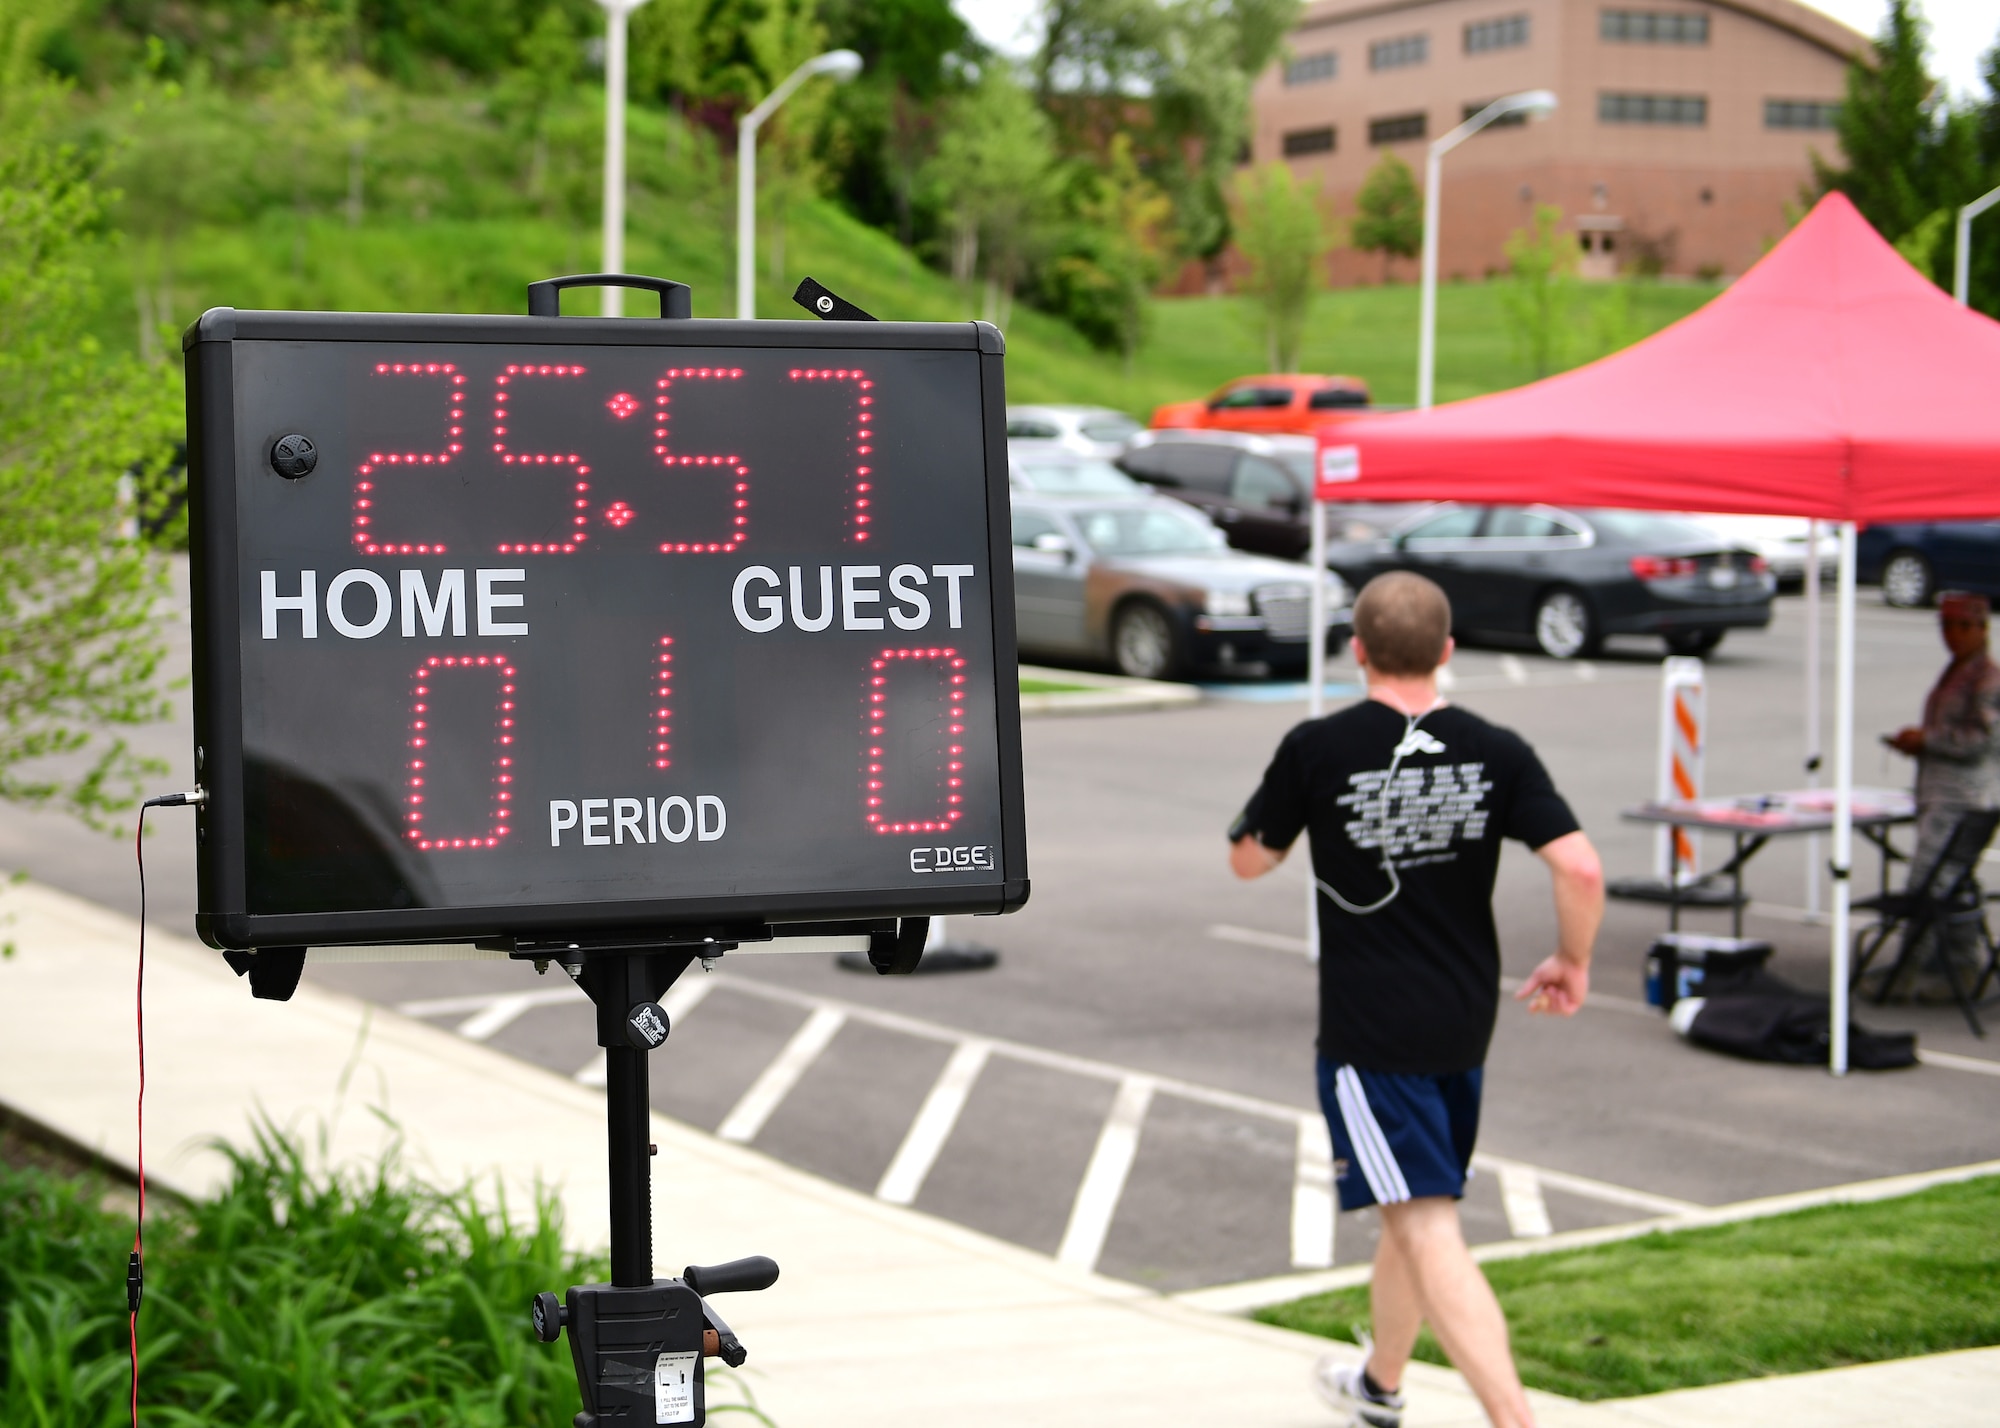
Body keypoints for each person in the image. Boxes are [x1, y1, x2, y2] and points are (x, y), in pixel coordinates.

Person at [1228, 571, 1604, 1428]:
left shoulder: (1315, 748)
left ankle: (1514, 1418)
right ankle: (1380, 1385)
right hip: (1464, 1022)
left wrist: (1279, 827)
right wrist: (1573, 959)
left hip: (1372, 1036)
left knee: (1427, 1222)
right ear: (1447, 653)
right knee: (1415, 1201)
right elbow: (1580, 863)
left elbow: (1251, 858)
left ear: (1357, 651)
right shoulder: (1499, 749)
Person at [1882, 591, 2000, 987]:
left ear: (1982, 628)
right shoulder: (1957, 670)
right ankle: (1961, 966)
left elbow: (1981, 740)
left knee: (1927, 884)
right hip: (1940, 792)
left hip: (1961, 798)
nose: (1952, 635)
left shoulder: (1986, 677)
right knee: (1955, 883)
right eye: (1946, 626)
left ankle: (1906, 971)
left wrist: (1928, 740)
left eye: (1962, 626)